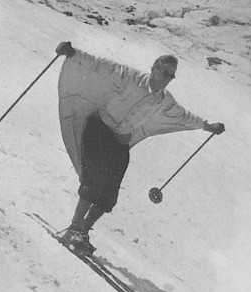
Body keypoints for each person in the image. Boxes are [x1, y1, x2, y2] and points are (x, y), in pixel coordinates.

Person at [55, 42, 225, 256]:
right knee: (93, 181)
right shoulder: (129, 77)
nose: (167, 79)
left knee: (109, 195)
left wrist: (209, 127)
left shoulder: (165, 102)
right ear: (153, 69)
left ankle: (84, 232)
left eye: (171, 76)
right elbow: (100, 66)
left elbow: (185, 117)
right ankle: (72, 230)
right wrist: (73, 53)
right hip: (99, 129)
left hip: (120, 142)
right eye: (164, 73)